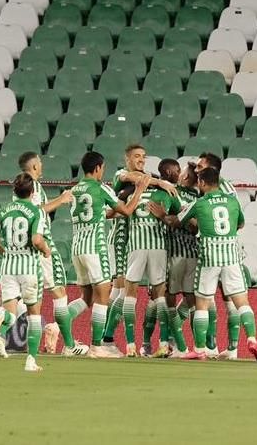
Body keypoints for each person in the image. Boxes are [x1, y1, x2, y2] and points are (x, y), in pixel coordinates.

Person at [151, 167, 257, 362]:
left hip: (209, 258)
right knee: (242, 302)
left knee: (202, 304)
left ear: (202, 183)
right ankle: (252, 340)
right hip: (231, 257)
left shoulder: (199, 203)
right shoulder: (232, 201)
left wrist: (163, 216)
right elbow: (240, 224)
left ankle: (200, 349)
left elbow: (176, 221)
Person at [69, 151, 149, 358]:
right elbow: (128, 211)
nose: (102, 172)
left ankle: (62, 332)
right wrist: (139, 191)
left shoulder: (75, 190)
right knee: (103, 297)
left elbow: (101, 213)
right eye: (102, 169)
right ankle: (97, 347)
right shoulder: (100, 188)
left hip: (77, 248)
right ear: (97, 168)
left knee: (87, 297)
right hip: (95, 248)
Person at [102, 145, 177, 350]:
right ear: (127, 159)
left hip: (136, 241)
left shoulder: (150, 180)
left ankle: (108, 340)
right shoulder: (121, 174)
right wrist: (160, 181)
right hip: (120, 239)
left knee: (122, 293)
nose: (141, 160)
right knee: (119, 292)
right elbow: (133, 179)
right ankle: (105, 339)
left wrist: (157, 182)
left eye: (143, 157)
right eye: (136, 157)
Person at [15, 152, 89, 357]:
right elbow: (37, 211)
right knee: (59, 293)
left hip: (26, 249)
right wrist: (62, 199)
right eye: (40, 162)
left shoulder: (19, 188)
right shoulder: (34, 186)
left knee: (31, 296)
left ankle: (3, 320)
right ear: (34, 166)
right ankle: (69, 345)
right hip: (42, 245)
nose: (42, 164)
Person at [0, 173, 53, 372]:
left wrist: (4, 251)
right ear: (32, 192)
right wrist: (46, 250)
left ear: (15, 190)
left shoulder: (4, 210)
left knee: (11, 315)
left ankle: (0, 318)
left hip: (8, 267)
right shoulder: (35, 211)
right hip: (29, 267)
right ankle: (31, 360)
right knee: (34, 316)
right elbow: (37, 240)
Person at [122, 161, 180, 357]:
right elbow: (177, 216)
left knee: (130, 295)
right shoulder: (167, 193)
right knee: (160, 296)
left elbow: (120, 207)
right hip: (158, 247)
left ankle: (130, 345)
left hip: (136, 247)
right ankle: (164, 343)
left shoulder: (131, 194)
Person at [195, 152, 243, 359]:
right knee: (219, 297)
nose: (196, 170)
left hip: (219, 249)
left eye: (200, 166)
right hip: (222, 249)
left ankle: (228, 348)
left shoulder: (222, 189)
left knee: (221, 297)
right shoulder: (224, 189)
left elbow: (235, 221)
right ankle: (217, 346)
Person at [157, 159, 198, 358]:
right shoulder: (198, 195)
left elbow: (192, 226)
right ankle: (180, 344)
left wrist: (165, 216)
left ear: (186, 176)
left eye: (183, 171)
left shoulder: (174, 191)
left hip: (176, 253)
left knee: (172, 298)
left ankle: (178, 346)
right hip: (192, 252)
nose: (182, 173)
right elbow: (193, 225)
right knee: (191, 299)